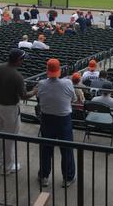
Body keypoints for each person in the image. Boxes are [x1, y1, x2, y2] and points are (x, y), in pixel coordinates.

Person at [0, 49, 37, 173]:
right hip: (9, 109)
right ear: (18, 60)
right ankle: (8, 167)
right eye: (23, 59)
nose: (24, 61)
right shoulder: (17, 76)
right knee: (10, 138)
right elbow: (24, 96)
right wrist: (35, 91)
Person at [37, 58, 76, 187]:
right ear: (59, 70)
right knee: (66, 149)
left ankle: (44, 176)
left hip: (47, 119)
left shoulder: (41, 83)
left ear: (47, 70)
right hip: (63, 119)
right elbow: (73, 99)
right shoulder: (68, 83)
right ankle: (68, 178)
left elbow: (40, 98)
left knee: (46, 148)